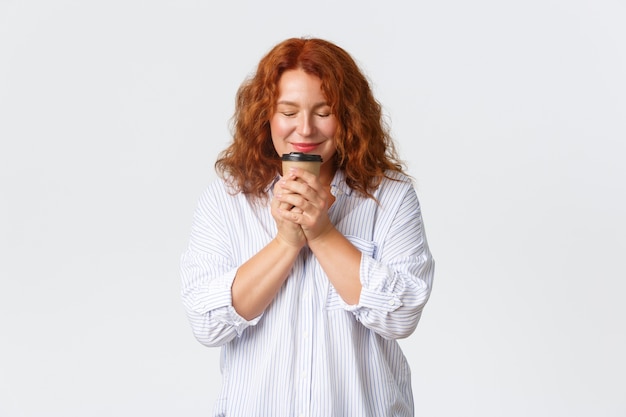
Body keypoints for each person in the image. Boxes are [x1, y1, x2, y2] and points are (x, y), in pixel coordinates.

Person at [180, 37, 435, 417]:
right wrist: (286, 241)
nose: (305, 128)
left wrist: (322, 234)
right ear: (266, 116)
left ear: (347, 116)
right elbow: (208, 324)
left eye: (323, 111)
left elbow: (400, 317)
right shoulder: (227, 201)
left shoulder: (390, 198)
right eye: (288, 111)